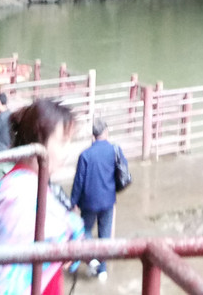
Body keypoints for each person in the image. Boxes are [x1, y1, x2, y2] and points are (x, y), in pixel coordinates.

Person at [0, 98, 84, 295]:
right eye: (63, 142)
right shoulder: (20, 191)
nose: (67, 151)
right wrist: (69, 228)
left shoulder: (17, 181)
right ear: (39, 140)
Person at [70, 118, 119, 282]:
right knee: (104, 234)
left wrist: (73, 201)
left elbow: (79, 181)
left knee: (85, 231)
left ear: (93, 135)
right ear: (105, 132)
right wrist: (113, 191)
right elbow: (122, 174)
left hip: (89, 202)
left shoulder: (85, 155)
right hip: (108, 201)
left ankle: (92, 260)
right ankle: (102, 270)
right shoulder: (114, 150)